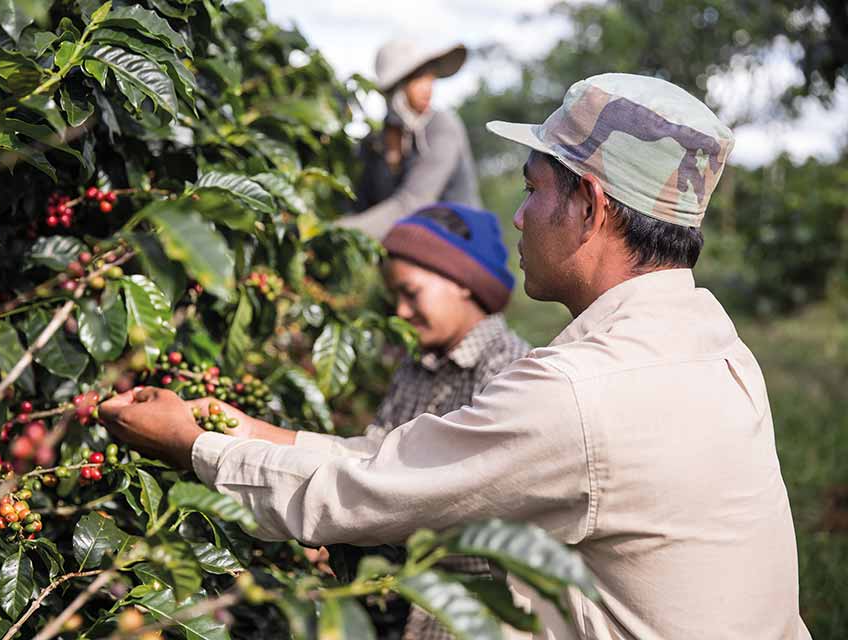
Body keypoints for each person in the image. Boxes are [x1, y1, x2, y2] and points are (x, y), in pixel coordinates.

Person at [100, 73, 812, 639]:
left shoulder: (579, 392)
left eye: (533, 190)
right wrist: (247, 431)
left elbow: (370, 491)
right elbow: (399, 460)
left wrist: (193, 448)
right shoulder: (714, 347)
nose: (519, 215)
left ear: (591, 208)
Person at [327, 202, 532, 639]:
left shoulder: (510, 371)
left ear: (461, 281)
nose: (400, 312)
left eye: (411, 293)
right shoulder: (416, 365)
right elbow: (375, 456)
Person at [340, 38, 482, 240]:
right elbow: (360, 206)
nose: (428, 88)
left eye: (430, 78)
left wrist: (336, 231)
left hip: (464, 244)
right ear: (396, 87)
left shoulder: (441, 127)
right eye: (418, 79)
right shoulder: (373, 145)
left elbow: (413, 203)